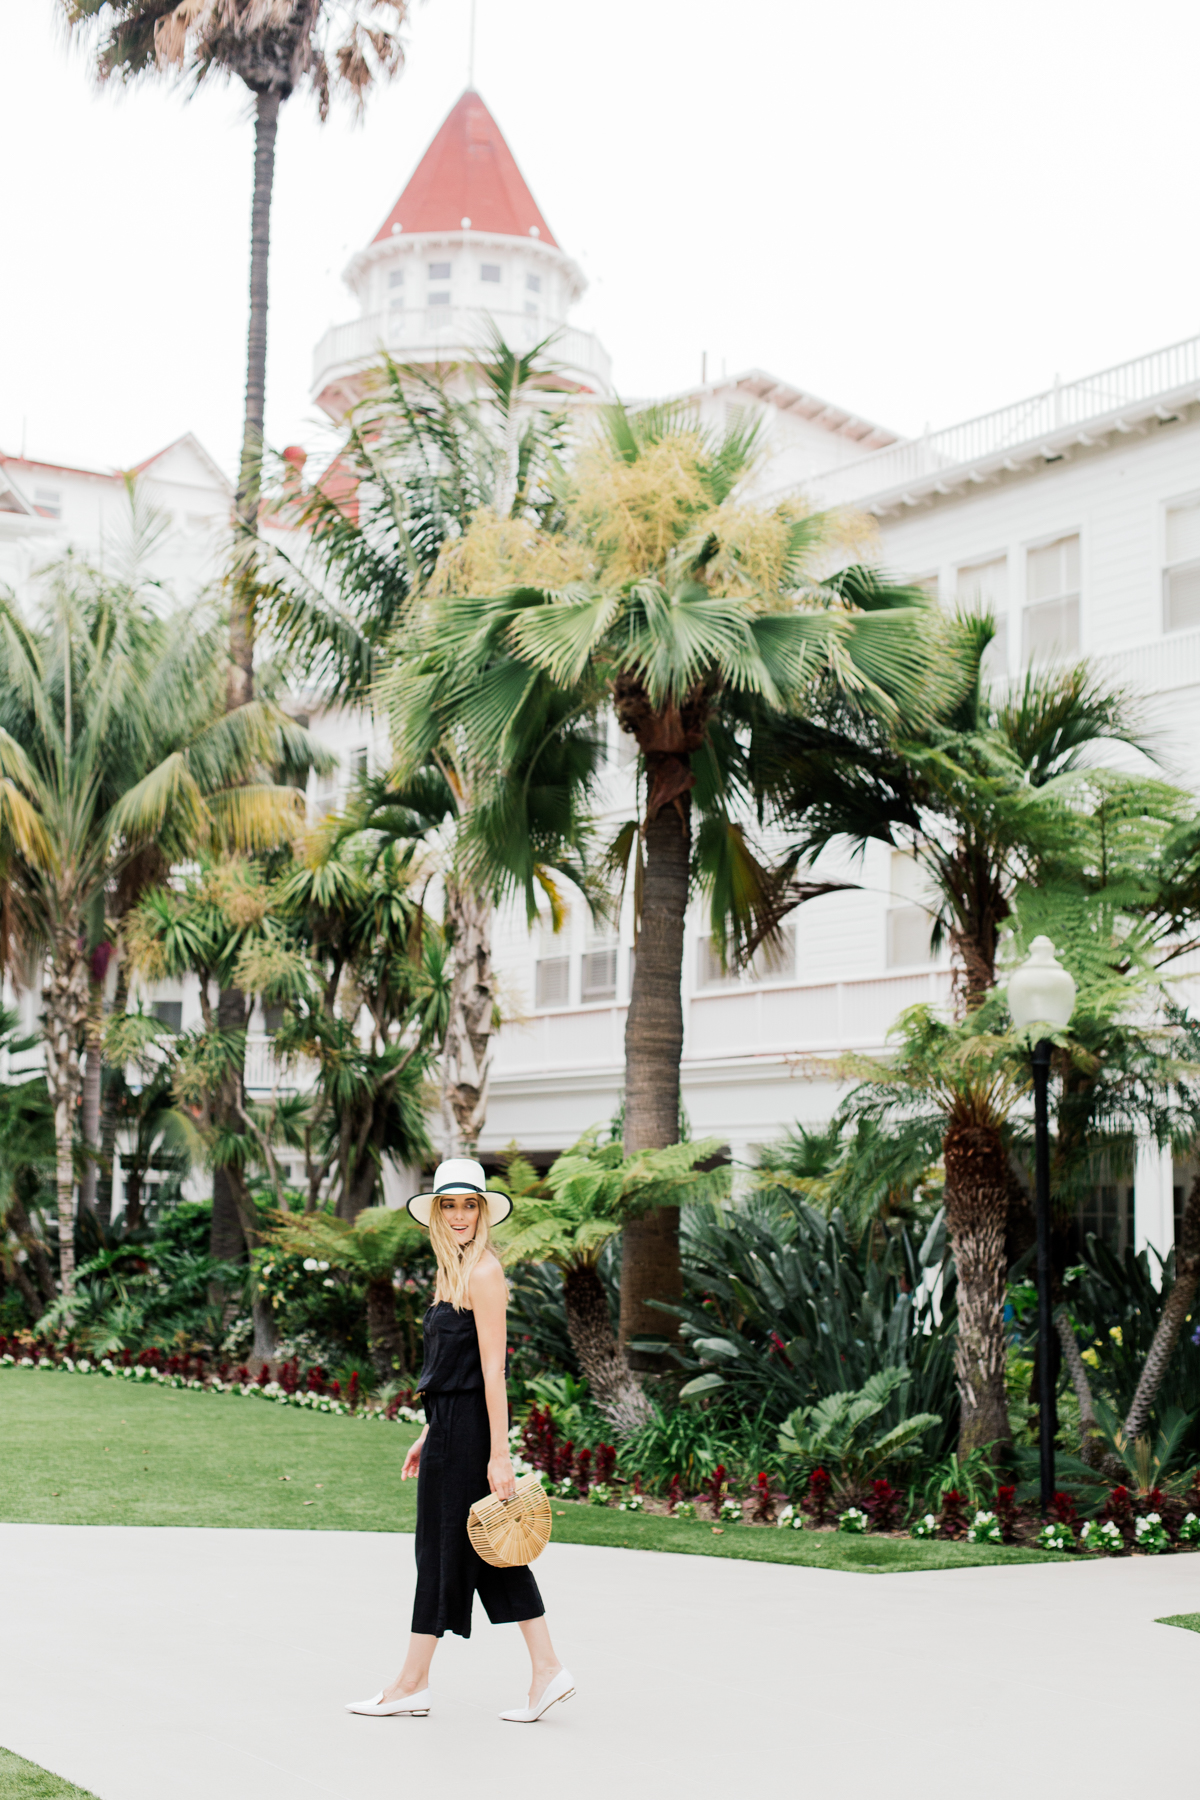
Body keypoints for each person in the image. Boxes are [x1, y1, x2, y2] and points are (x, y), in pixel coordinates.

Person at [345, 1158, 574, 1724]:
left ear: (483, 1212)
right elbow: (454, 1367)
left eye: (469, 1205)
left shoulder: (483, 1272)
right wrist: (429, 1430)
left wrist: (500, 1453)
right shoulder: (455, 1271)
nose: (459, 1216)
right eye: (449, 1205)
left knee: (442, 1552)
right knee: (489, 1549)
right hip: (449, 1429)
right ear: (436, 1215)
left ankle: (410, 1684)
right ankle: (546, 1671)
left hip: (472, 1434)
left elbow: (494, 1371)